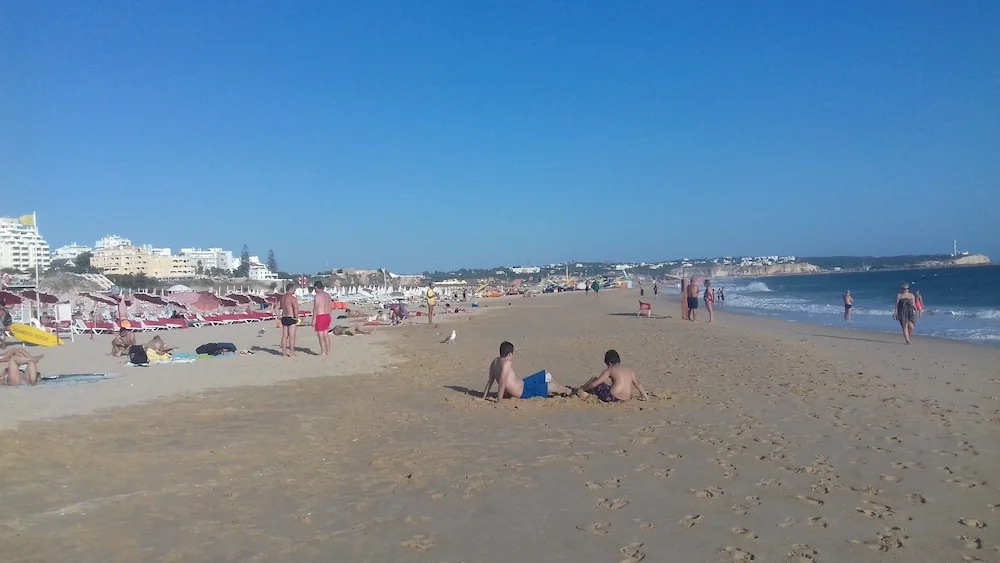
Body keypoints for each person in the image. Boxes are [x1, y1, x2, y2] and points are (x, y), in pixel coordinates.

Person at [482, 341, 571, 403]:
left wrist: (484, 397)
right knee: (552, 387)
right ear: (510, 354)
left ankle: (564, 390)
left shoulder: (494, 362)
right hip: (523, 392)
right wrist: (499, 401)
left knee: (546, 374)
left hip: (524, 383)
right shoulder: (507, 363)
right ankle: (568, 391)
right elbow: (502, 383)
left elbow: (490, 382)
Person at [576, 349, 649, 403]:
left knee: (594, 379)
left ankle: (584, 393)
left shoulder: (610, 369)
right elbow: (638, 384)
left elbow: (595, 383)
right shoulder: (629, 369)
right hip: (626, 398)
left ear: (609, 363)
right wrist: (645, 397)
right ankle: (586, 392)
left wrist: (583, 388)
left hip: (613, 397)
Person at [279, 283, 300, 357]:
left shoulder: (282, 297)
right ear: (291, 289)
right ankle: (291, 353)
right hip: (291, 317)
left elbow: (277, 307)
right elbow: (295, 308)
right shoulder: (292, 298)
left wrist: (278, 316)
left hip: (284, 317)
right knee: (292, 336)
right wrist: (296, 317)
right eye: (294, 289)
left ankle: (284, 353)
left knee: (284, 336)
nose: (295, 291)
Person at [313, 281, 332, 357]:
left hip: (320, 316)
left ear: (316, 287)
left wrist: (313, 319)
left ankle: (323, 352)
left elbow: (315, 308)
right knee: (326, 335)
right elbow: (330, 306)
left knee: (321, 335)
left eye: (314, 288)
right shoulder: (327, 295)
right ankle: (328, 351)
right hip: (327, 315)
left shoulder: (317, 296)